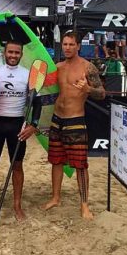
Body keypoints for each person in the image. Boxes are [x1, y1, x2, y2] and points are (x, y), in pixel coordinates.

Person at [43, 31, 106, 219]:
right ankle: (55, 197)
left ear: (78, 46)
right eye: (65, 44)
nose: (68, 48)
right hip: (57, 119)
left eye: (71, 44)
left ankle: (84, 205)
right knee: (56, 161)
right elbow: (44, 88)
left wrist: (88, 89)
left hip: (76, 120)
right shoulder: (58, 67)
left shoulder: (88, 68)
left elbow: (102, 93)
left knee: (80, 165)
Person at [0, 40, 40, 221]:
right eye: (10, 52)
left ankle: (17, 204)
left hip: (17, 125)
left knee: (17, 165)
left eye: (17, 52)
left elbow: (37, 102)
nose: (13, 55)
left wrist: (33, 125)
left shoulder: (28, 74)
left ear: (21, 54)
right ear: (4, 53)